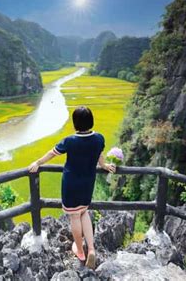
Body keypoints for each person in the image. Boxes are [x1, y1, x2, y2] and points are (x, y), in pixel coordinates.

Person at [28, 106, 116, 269]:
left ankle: (80, 252)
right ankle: (91, 249)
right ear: (91, 121)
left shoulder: (70, 140)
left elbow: (52, 153)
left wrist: (37, 163)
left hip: (71, 184)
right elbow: (99, 155)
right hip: (88, 183)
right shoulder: (99, 138)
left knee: (74, 216)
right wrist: (103, 165)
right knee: (84, 212)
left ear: (75, 123)